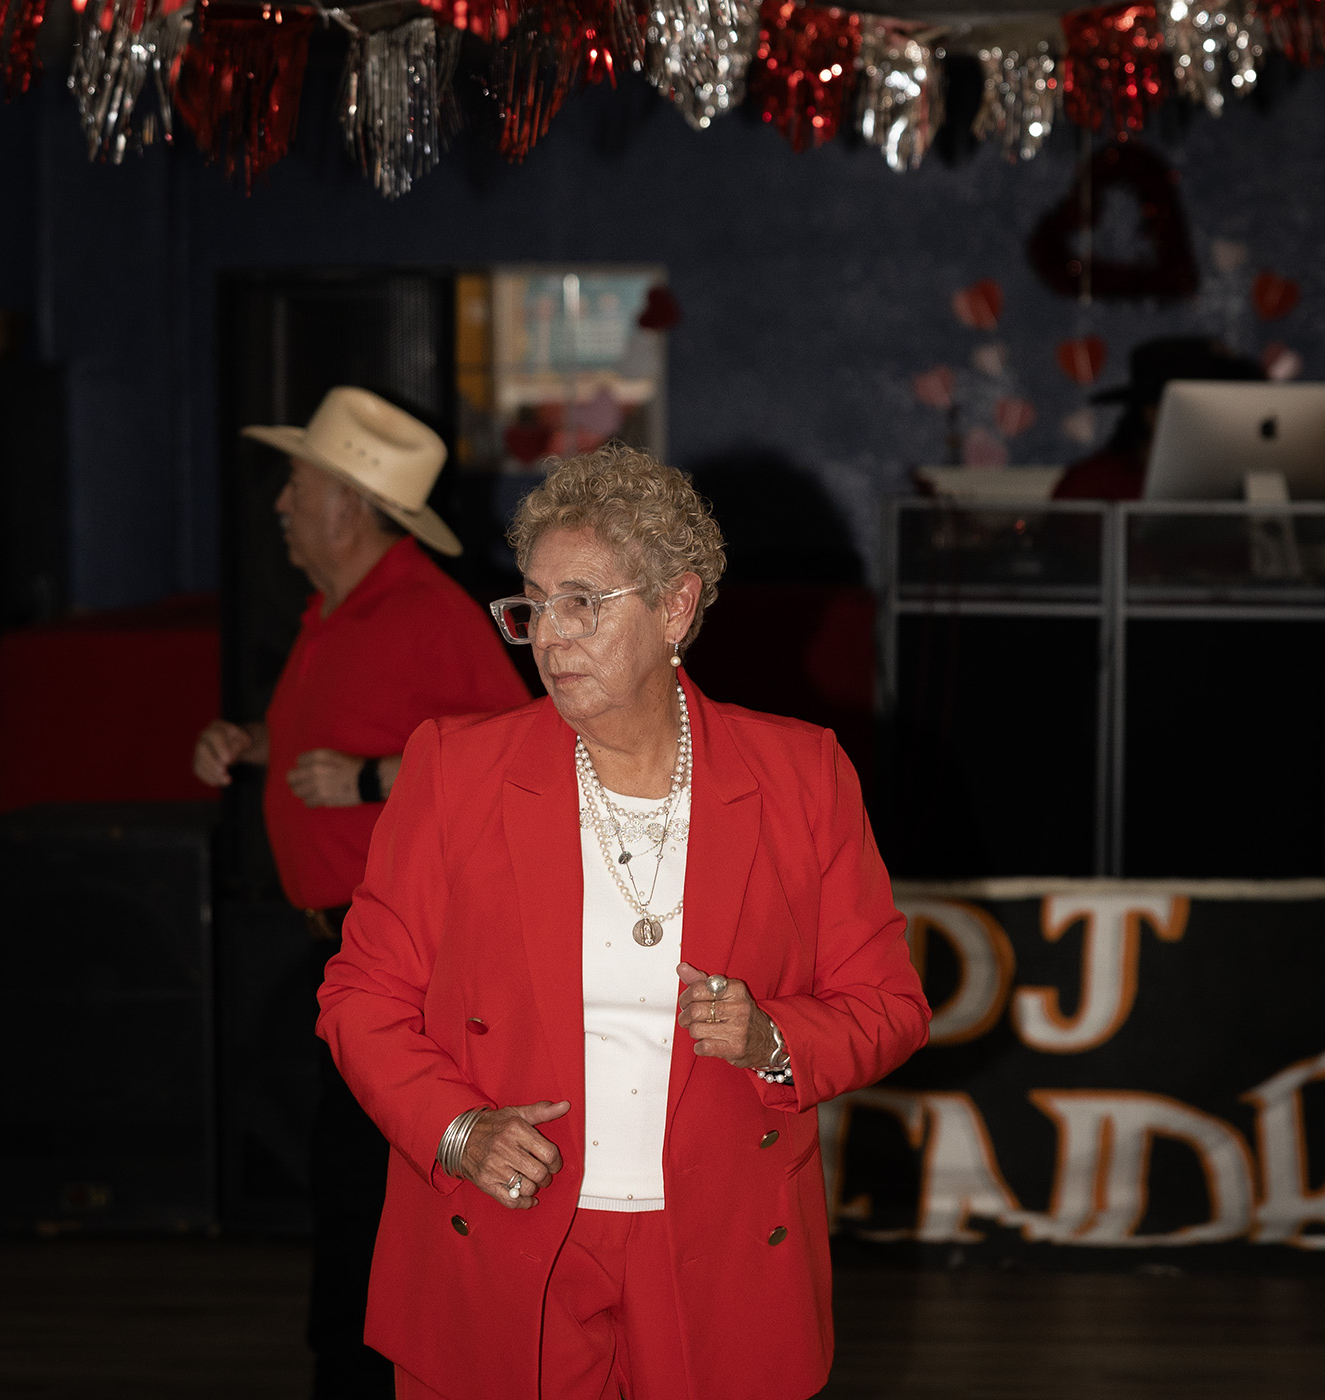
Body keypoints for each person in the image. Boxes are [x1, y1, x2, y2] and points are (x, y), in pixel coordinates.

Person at [316, 442, 932, 1400]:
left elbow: (889, 1005)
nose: (548, 637)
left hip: (716, 1245)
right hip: (511, 1226)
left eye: (583, 603)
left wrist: (774, 1038)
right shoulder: (455, 770)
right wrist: (455, 1130)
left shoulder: (801, 776)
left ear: (677, 607)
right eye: (532, 603)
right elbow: (360, 998)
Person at [192, 386, 530, 1400]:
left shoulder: (429, 611)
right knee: (350, 1194)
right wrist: (255, 744)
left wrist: (372, 777)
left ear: (348, 501)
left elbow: (522, 764)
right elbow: (343, 731)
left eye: (297, 485)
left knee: (364, 1198)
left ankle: (366, 1374)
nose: (282, 505)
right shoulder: (333, 608)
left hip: (409, 964)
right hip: (346, 947)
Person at [1054, 335, 1264, 500]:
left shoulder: (1221, 486)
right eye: (1205, 412)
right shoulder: (1090, 487)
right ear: (1153, 414)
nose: (1218, 425)